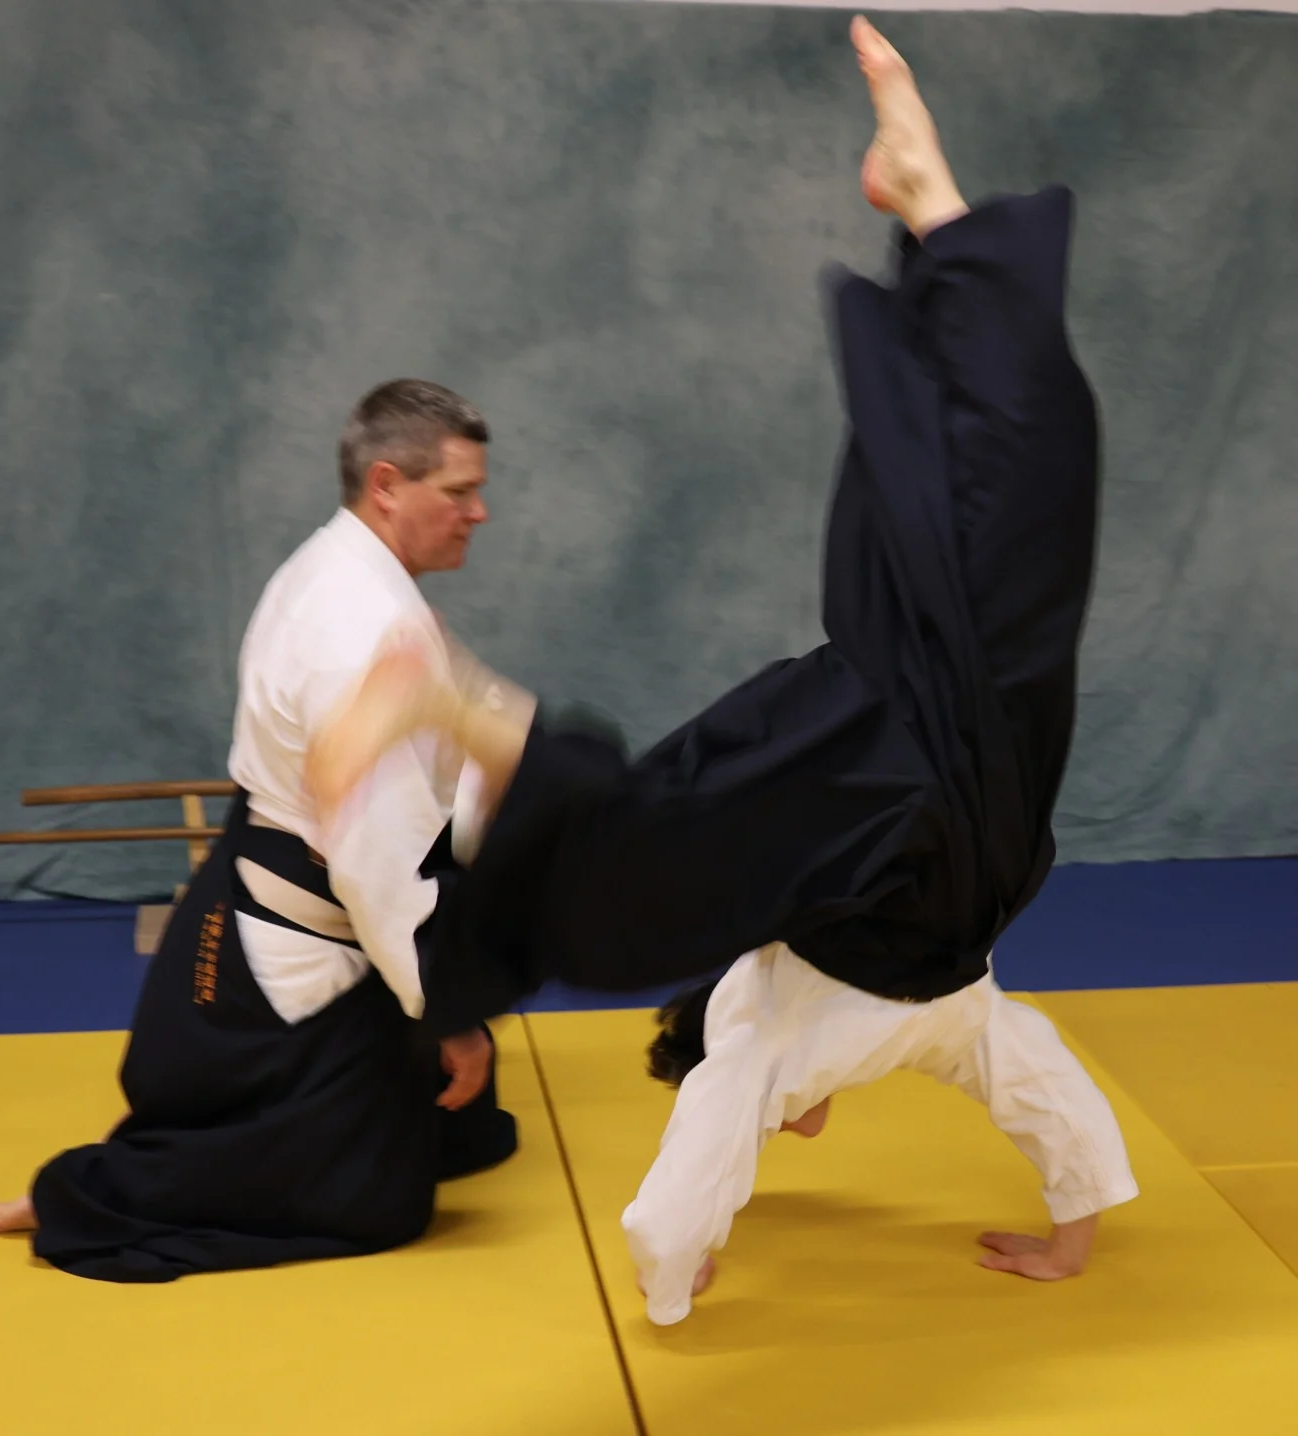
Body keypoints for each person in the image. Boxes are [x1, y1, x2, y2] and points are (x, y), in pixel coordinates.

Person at [305, 18, 1136, 1321]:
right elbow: (1046, 1098)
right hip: (944, 806)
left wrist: (671, 1273)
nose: (798, 1122)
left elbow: (693, 1175)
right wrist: (1070, 1233)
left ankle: (935, 217)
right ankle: (934, 217)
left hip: (938, 798)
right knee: (1002, 524)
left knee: (1005, 529)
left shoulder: (774, 1026)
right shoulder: (872, 1022)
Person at [0, 379, 518, 1281]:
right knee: (375, 1199)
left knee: (464, 1121)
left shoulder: (337, 566)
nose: (479, 513)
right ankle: (102, 1190)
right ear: (387, 485)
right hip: (296, 934)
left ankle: (322, 1099)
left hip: (275, 885)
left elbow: (456, 733)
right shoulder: (362, 630)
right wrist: (452, 1014)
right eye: (459, 492)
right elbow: (379, 862)